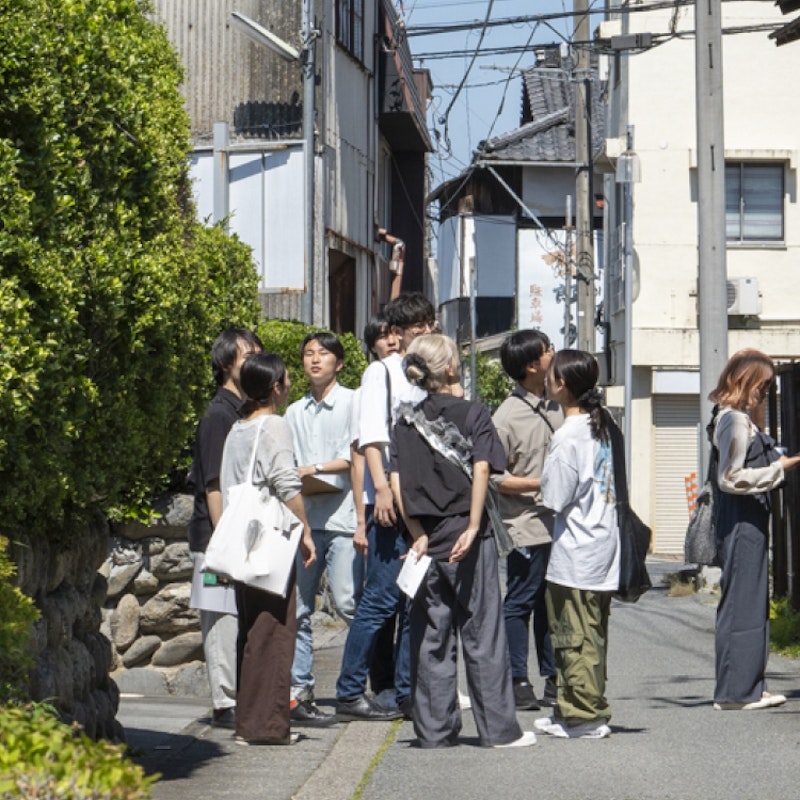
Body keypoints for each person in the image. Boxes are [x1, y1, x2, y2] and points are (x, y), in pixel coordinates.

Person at [389, 334, 535, 748]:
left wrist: (416, 532)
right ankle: (498, 731)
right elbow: (484, 471)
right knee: (482, 631)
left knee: (430, 636)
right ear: (450, 368)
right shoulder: (473, 414)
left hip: (425, 541)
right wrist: (473, 526)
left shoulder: (403, 422)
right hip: (467, 535)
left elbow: (396, 482)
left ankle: (434, 731)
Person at [335, 292, 435, 721]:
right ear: (397, 333)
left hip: (426, 502)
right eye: (417, 327)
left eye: (430, 324)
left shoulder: (431, 373)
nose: (426, 332)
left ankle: (405, 692)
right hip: (390, 504)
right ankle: (349, 692)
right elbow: (372, 437)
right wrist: (381, 490)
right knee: (379, 599)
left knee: (416, 600)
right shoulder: (382, 373)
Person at [220, 353, 316, 745]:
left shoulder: (237, 428)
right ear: (276, 386)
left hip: (242, 539)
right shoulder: (274, 425)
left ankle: (249, 722)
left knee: (252, 629)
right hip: (271, 540)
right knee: (275, 629)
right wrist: (305, 531)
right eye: (286, 377)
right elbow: (286, 483)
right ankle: (268, 727)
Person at [709, 349, 800, 711]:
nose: (764, 393)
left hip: (745, 518)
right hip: (741, 518)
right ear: (746, 382)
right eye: (762, 386)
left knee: (748, 602)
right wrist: (779, 468)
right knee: (742, 603)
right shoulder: (733, 420)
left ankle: (746, 687)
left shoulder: (734, 417)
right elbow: (730, 477)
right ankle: (736, 691)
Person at [534, 349, 619, 740]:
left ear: (561, 383)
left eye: (550, 374)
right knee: (592, 633)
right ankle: (574, 711)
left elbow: (554, 497)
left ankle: (584, 716)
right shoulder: (603, 424)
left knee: (572, 635)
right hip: (603, 543)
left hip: (576, 549)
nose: (545, 378)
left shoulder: (568, 435)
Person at [187, 327, 263, 730]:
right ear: (224, 363)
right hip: (216, 539)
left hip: (233, 537)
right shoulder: (218, 416)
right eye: (245, 353)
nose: (252, 359)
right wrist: (224, 540)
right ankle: (224, 702)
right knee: (220, 619)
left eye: (257, 353)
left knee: (236, 618)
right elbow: (213, 483)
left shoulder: (242, 412)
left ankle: (235, 698)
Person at [285, 332, 359, 727]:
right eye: (309, 354)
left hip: (344, 518)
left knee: (349, 604)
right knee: (298, 609)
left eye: (324, 354)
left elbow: (356, 456)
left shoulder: (351, 402)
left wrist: (312, 468)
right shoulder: (293, 411)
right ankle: (301, 691)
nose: (315, 360)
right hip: (305, 519)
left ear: (340, 363)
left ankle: (364, 682)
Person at [491, 330, 562, 710]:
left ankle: (553, 679)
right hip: (523, 523)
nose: (554, 354)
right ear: (532, 365)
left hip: (558, 523)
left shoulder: (560, 406)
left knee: (551, 603)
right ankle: (517, 679)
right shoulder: (506, 416)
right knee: (520, 600)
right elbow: (493, 476)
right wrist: (540, 482)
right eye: (548, 350)